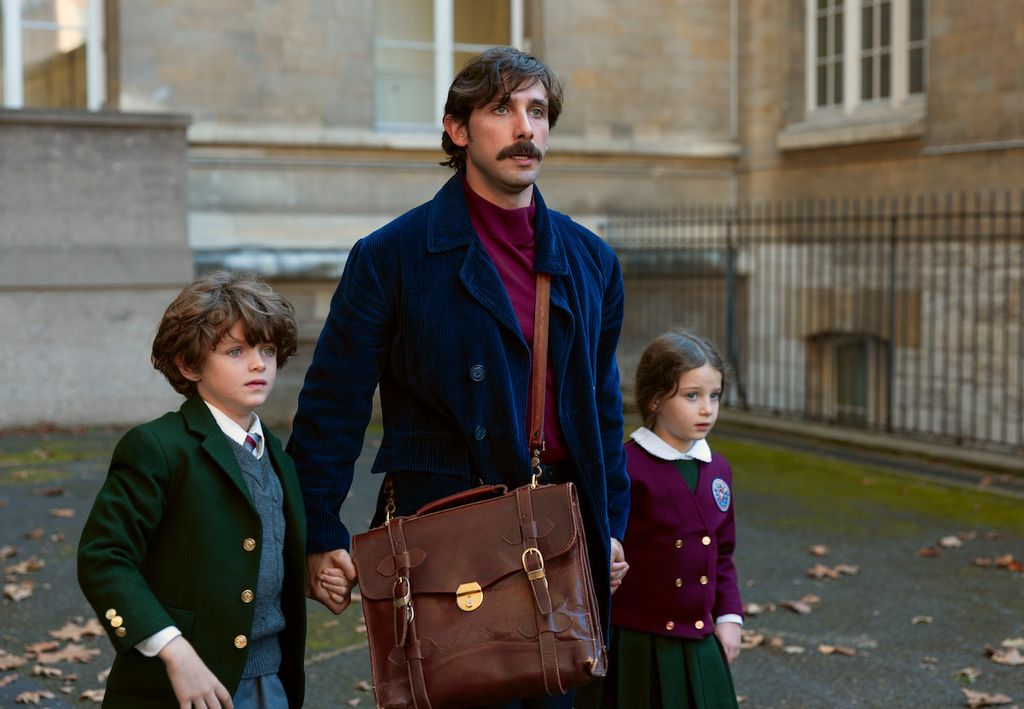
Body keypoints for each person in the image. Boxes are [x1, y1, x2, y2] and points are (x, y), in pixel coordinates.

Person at [287, 46, 630, 707]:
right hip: (445, 535)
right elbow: (333, 405)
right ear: (457, 128)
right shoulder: (391, 256)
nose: (525, 128)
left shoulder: (591, 261)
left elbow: (603, 409)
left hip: (558, 534)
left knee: (558, 691)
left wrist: (611, 524)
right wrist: (319, 531)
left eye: (538, 111)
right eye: (502, 109)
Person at [77, 271, 306, 709]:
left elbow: (259, 551)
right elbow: (104, 558)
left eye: (267, 350)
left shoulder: (276, 454)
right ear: (189, 365)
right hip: (179, 684)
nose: (259, 364)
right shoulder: (158, 447)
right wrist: (174, 650)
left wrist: (315, 566)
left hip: (271, 678)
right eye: (236, 351)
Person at [579, 328, 743, 708]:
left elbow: (723, 554)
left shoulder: (718, 469)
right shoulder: (625, 467)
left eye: (715, 395)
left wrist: (729, 616)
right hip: (634, 643)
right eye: (692, 395)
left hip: (699, 643)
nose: (707, 409)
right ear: (655, 399)